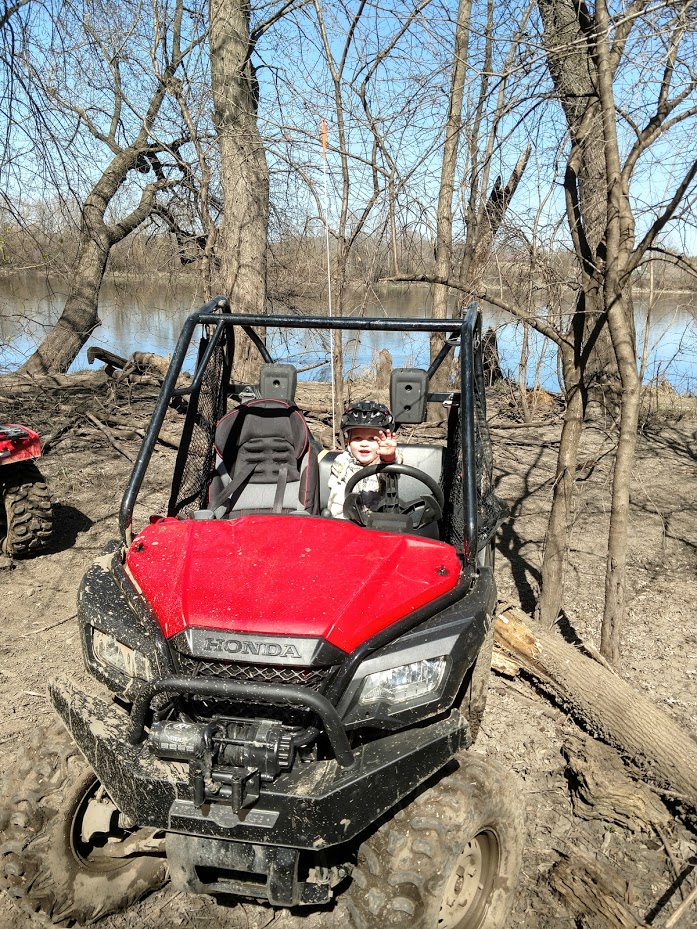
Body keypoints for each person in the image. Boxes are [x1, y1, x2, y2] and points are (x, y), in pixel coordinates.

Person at [326, 401, 402, 519]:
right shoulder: (342, 463)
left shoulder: (383, 461)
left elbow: (391, 472)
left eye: (372, 439)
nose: (364, 444)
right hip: (349, 522)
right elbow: (337, 499)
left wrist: (388, 458)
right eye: (357, 438)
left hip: (383, 522)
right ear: (348, 442)